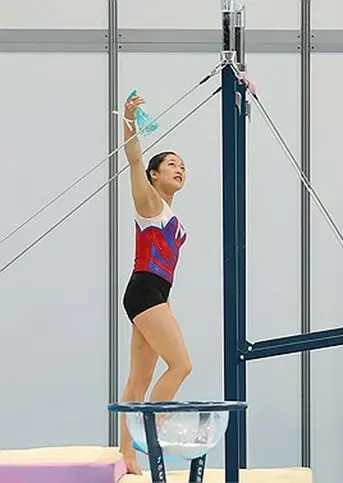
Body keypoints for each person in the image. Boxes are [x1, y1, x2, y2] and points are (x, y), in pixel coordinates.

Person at [119, 93, 192, 474]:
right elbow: (133, 159)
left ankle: (126, 455)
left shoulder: (169, 210)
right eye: (171, 165)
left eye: (183, 166)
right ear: (154, 175)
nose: (180, 169)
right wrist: (130, 121)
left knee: (139, 379)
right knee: (181, 365)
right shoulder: (149, 203)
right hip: (145, 289)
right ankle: (153, 432)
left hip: (153, 293)